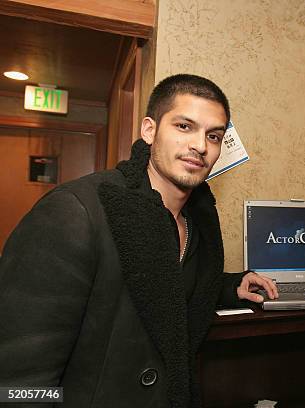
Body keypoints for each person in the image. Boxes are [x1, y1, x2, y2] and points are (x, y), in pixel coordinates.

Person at [0, 74, 278, 408]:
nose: (201, 146)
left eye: (214, 135)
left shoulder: (198, 220)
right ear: (149, 130)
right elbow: (16, 383)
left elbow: (167, 289)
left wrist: (229, 286)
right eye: (184, 126)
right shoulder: (74, 212)